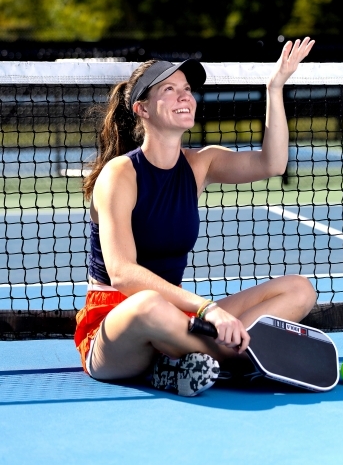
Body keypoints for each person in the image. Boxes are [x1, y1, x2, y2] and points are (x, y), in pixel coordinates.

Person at [74, 38, 316, 396]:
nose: (184, 96)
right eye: (169, 90)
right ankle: (239, 359)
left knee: (299, 289)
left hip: (178, 321)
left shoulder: (201, 163)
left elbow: (272, 163)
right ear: (142, 109)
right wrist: (207, 310)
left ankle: (189, 362)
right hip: (117, 330)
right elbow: (123, 274)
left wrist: (274, 87)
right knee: (148, 304)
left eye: (186, 89)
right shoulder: (119, 175)